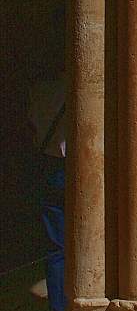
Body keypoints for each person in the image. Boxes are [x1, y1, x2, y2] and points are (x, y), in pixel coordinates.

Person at [29, 71, 68, 311]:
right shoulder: (73, 86)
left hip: (47, 164)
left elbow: (32, 127)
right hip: (75, 166)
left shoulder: (37, 90)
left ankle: (59, 306)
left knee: (56, 247)